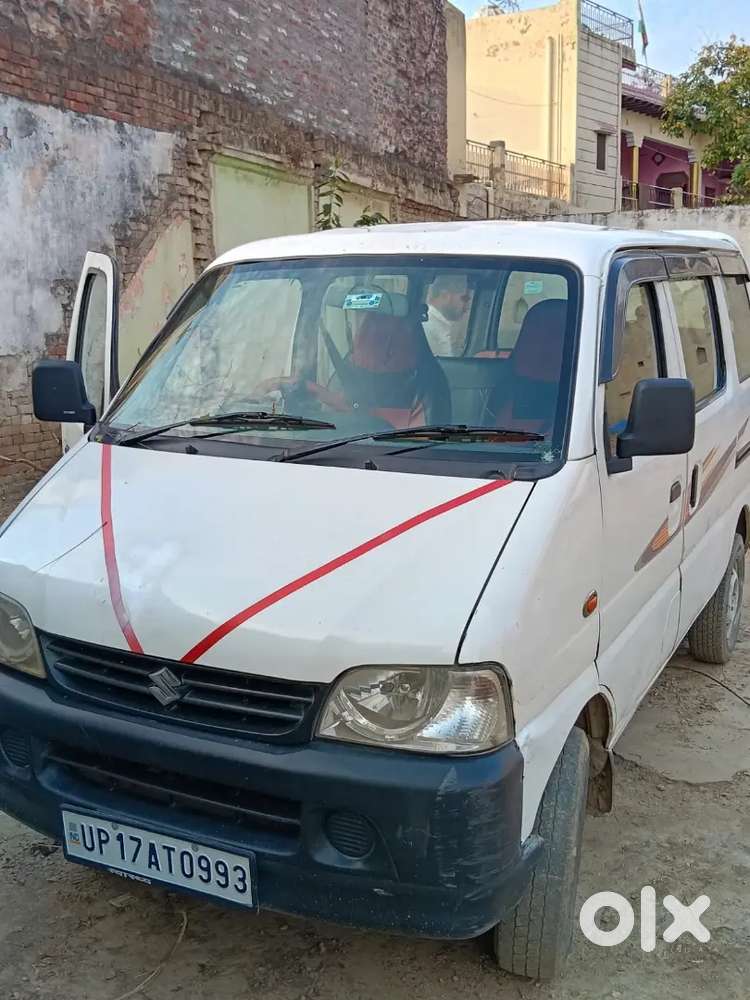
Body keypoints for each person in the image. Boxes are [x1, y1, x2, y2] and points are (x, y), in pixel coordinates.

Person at [423, 274, 471, 357]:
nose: (467, 307)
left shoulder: (437, 325)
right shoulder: (427, 328)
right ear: (445, 295)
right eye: (464, 299)